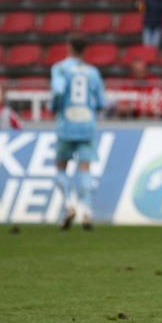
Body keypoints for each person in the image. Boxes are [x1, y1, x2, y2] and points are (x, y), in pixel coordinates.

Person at [50, 36, 106, 230]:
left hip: (67, 123)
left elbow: (57, 92)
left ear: (69, 48)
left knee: (60, 167)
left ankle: (68, 205)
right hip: (87, 124)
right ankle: (87, 211)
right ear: (85, 50)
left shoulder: (60, 68)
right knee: (85, 169)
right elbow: (101, 102)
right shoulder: (93, 72)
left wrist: (55, 107)